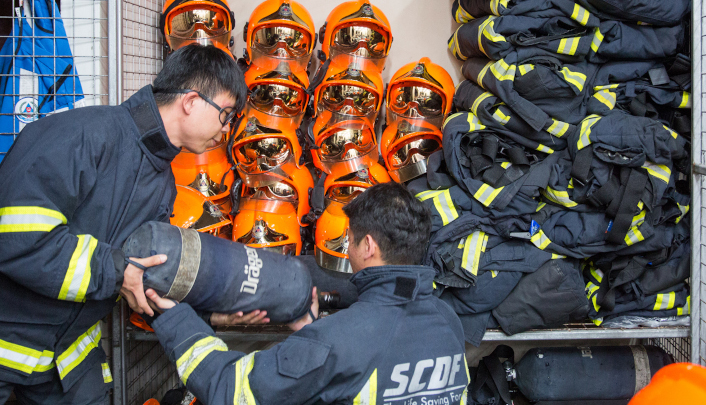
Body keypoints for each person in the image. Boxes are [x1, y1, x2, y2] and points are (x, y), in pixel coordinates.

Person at [0, 44, 251, 404]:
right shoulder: (83, 136)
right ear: (192, 101)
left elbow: (146, 275)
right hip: (11, 334)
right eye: (225, 114)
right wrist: (118, 271)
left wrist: (213, 313)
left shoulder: (162, 181)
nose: (225, 130)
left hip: (66, 352)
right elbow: (19, 237)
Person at [145, 182, 470, 405]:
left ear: (368, 246)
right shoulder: (447, 321)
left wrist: (176, 318)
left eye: (350, 240)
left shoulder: (339, 341)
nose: (349, 249)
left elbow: (228, 389)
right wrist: (314, 336)